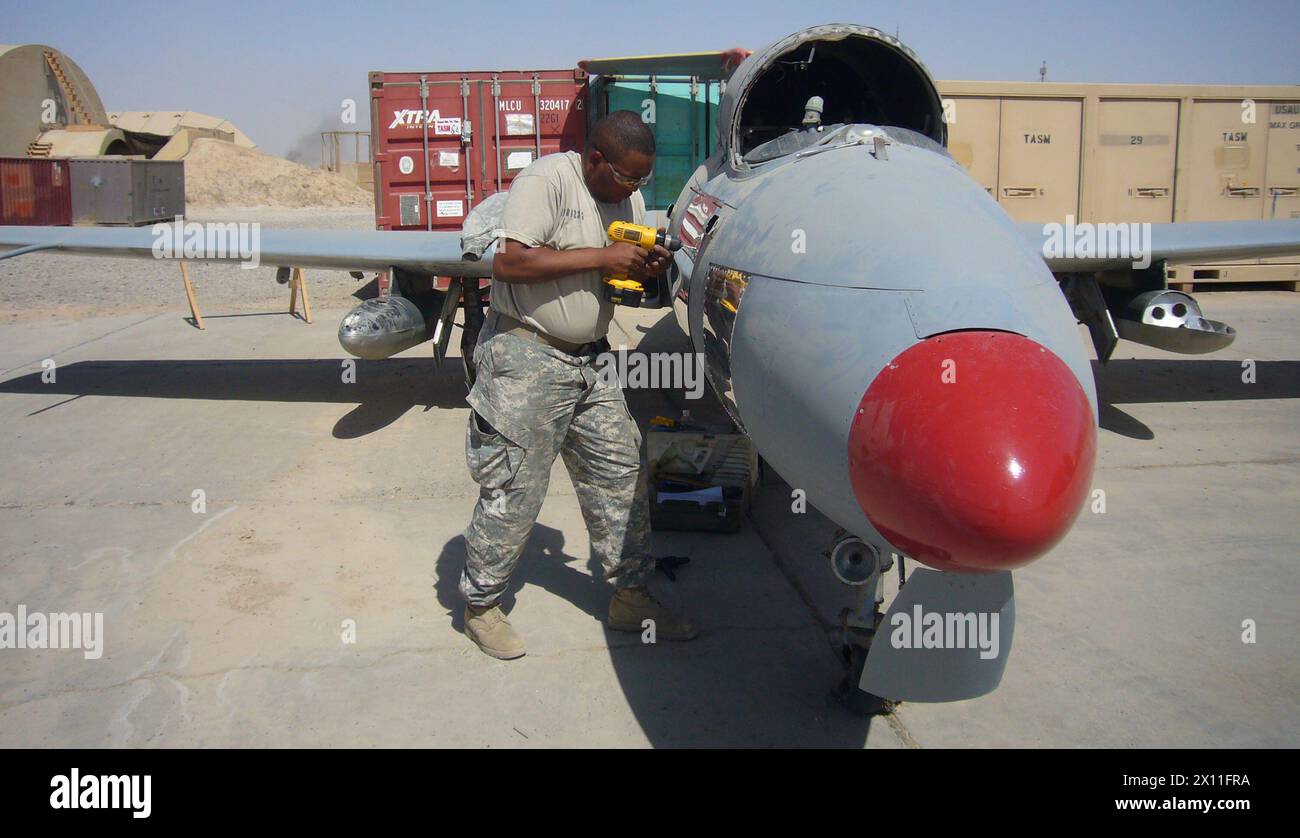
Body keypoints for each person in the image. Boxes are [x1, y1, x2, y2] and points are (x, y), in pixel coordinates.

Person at [458, 110, 696, 659]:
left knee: (622, 473)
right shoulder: (547, 180)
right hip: (527, 355)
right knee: (515, 485)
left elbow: (617, 273)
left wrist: (646, 266)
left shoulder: (626, 199)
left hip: (591, 362)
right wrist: (603, 255)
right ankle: (481, 606)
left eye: (643, 181)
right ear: (595, 160)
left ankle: (630, 598)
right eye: (628, 178)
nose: (635, 190)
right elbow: (510, 262)